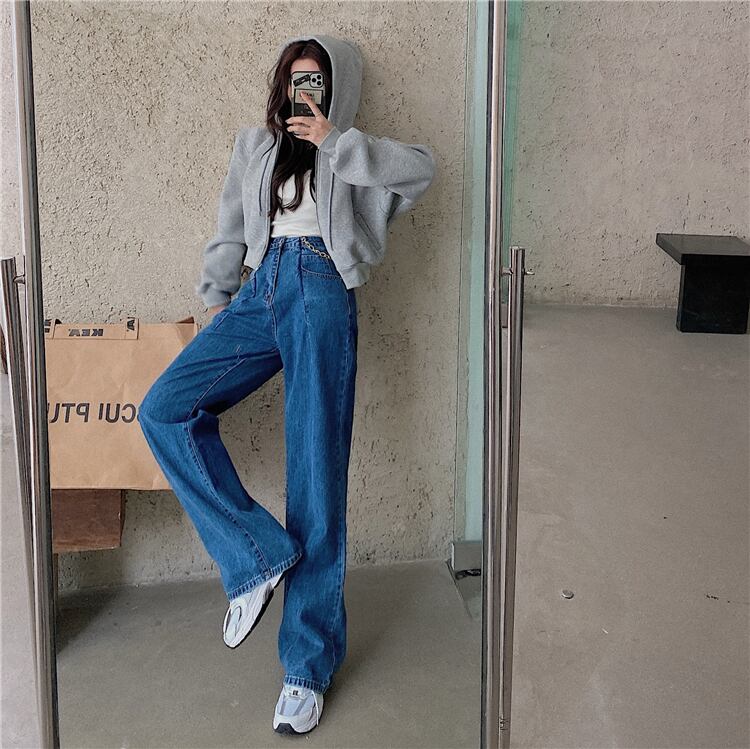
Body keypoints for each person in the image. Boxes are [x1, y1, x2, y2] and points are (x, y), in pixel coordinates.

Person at [137, 33, 435, 735]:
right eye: (296, 80)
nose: (305, 92)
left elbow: (422, 172)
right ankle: (255, 556)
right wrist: (217, 299)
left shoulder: (351, 150)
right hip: (259, 292)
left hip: (322, 289)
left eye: (317, 81)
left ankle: (305, 667)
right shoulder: (255, 146)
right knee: (164, 409)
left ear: (336, 89)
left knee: (314, 474)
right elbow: (229, 227)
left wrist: (337, 141)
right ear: (281, 85)